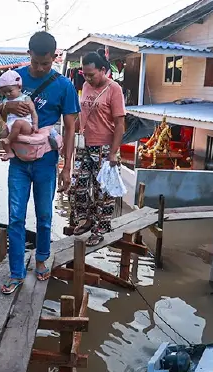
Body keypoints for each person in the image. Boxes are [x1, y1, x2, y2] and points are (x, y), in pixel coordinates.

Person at [0, 31, 79, 295]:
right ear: (28, 54)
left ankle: (42, 258)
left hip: (46, 159)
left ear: (55, 57)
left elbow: (70, 128)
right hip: (19, 160)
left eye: (47, 63)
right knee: (15, 217)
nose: (41, 68)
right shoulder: (14, 77)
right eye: (36, 63)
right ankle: (16, 272)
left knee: (44, 215)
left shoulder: (64, 85)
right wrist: (7, 108)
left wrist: (67, 167)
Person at [70, 49, 126, 246]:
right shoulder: (85, 86)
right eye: (84, 74)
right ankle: (85, 219)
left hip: (105, 147)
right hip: (84, 144)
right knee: (77, 185)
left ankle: (99, 229)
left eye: (91, 74)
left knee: (103, 191)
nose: (87, 78)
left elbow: (120, 124)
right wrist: (69, 137)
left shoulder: (114, 89)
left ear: (103, 70)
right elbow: (82, 114)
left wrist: (114, 152)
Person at [0, 70, 39, 161]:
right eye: (5, 92)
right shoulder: (6, 101)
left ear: (19, 87)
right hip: (10, 126)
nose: (7, 94)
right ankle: (9, 152)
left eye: (10, 91)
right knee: (2, 135)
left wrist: (35, 124)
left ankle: (9, 139)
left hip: (25, 125)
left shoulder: (25, 98)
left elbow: (33, 112)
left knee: (18, 122)